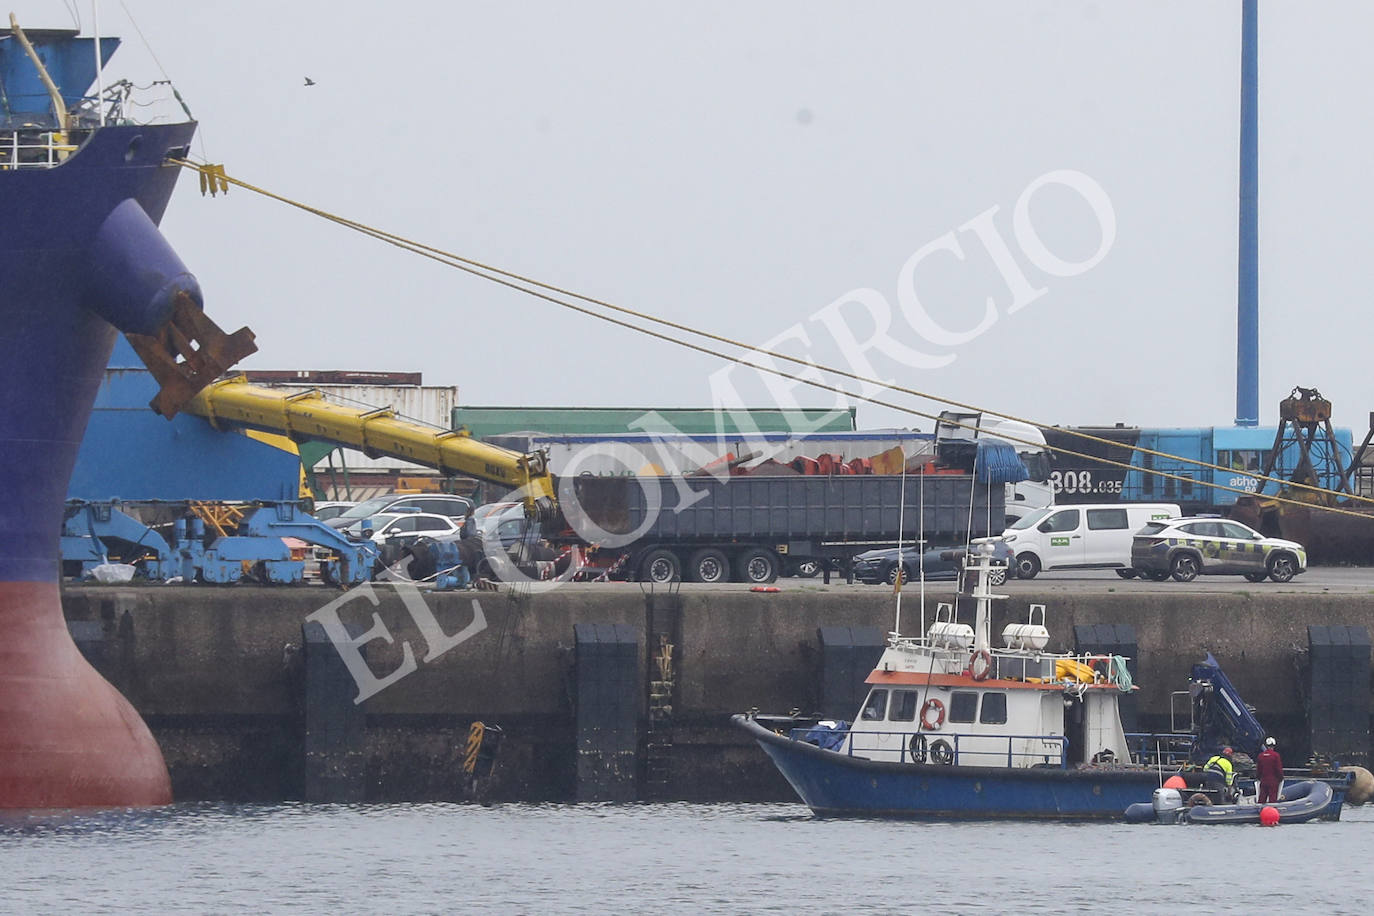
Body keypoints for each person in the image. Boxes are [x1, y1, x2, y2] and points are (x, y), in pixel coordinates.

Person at [1256, 736, 1284, 804]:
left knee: (1262, 799)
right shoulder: (1276, 755)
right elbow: (1278, 769)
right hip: (1273, 781)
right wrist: (1281, 778)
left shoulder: (1260, 756)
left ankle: (1260, 812)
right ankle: (1271, 813)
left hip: (1263, 781)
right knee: (1272, 800)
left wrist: (1259, 778)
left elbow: (1258, 770)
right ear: (1274, 745)